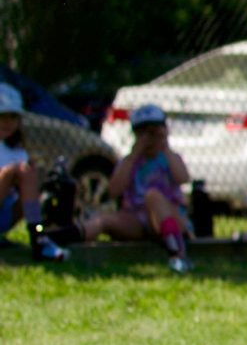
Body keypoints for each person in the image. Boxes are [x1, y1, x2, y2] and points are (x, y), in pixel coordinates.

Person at [80, 103, 193, 272]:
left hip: (169, 217)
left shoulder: (169, 157)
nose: (149, 138)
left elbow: (183, 178)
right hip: (137, 219)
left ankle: (177, 253)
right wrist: (134, 154)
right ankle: (66, 238)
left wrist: (165, 146)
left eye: (154, 132)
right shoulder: (130, 162)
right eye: (144, 133)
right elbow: (113, 191)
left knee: (152, 196)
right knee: (102, 219)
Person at [0, 83, 67, 262]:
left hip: (4, 214)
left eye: (13, 117)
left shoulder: (18, 152)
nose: (8, 123)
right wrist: (8, 175)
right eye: (2, 117)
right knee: (11, 172)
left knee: (27, 173)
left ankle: (38, 236)